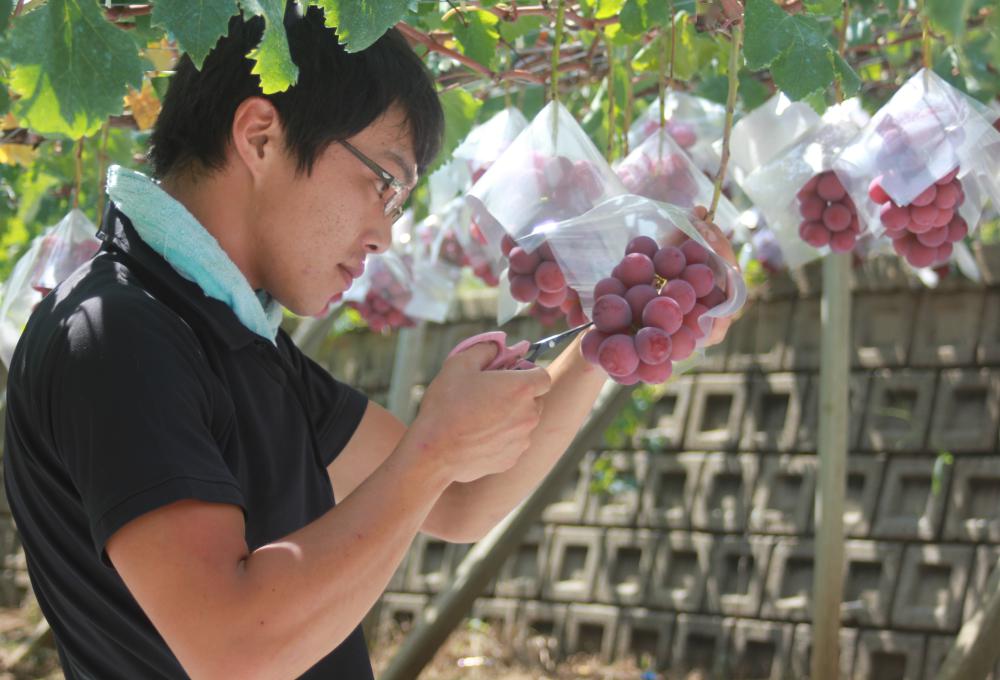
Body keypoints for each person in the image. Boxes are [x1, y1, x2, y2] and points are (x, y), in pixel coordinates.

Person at [3, 5, 735, 680]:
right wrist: (430, 453)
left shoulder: (229, 336)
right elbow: (234, 647)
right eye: (384, 184)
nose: (387, 233)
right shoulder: (116, 334)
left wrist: (622, 332)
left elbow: (461, 501)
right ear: (260, 136)